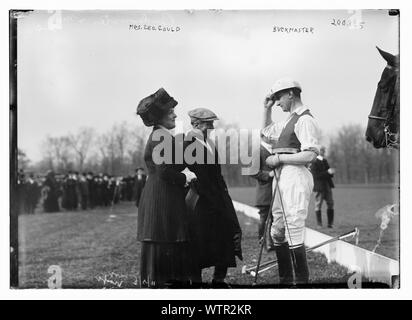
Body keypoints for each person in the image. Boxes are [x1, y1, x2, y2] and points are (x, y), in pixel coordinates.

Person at [136, 88, 197, 288]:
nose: (175, 114)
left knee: (163, 242)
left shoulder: (162, 135)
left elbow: (172, 164)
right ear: (161, 116)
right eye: (171, 112)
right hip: (162, 199)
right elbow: (164, 172)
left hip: (161, 196)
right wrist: (185, 176)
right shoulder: (161, 137)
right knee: (164, 242)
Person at [262, 78, 320, 286]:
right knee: (277, 231)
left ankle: (301, 283)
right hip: (282, 176)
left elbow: (310, 155)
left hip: (296, 176)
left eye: (278, 98)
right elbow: (266, 134)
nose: (277, 103)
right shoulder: (289, 120)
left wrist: (279, 158)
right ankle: (285, 281)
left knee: (293, 229)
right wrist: (266, 109)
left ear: (291, 94)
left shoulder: (305, 120)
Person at [184, 107, 243, 288]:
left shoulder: (208, 142)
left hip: (217, 196)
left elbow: (216, 174)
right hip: (200, 200)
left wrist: (222, 196)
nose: (211, 127)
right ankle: (196, 282)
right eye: (207, 124)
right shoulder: (188, 144)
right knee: (199, 241)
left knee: (227, 235)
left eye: (211, 123)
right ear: (195, 124)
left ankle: (219, 279)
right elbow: (198, 175)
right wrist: (213, 199)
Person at [249, 135, 276, 251]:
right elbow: (252, 171)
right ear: (263, 136)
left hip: (276, 191)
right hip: (264, 191)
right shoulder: (257, 151)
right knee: (264, 219)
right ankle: (262, 243)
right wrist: (268, 175)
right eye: (270, 135)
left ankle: (273, 243)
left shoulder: (275, 151)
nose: (272, 137)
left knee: (274, 219)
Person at [309, 146, 335, 228]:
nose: (323, 151)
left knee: (330, 204)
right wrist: (328, 172)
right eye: (322, 150)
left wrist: (331, 173)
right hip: (319, 187)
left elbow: (329, 173)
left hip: (327, 186)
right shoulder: (314, 162)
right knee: (318, 205)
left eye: (324, 150)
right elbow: (316, 176)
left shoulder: (324, 160)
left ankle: (330, 224)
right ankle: (319, 224)